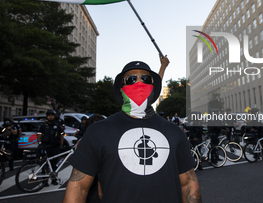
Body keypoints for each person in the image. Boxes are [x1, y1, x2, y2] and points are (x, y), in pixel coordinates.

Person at [63, 61, 201, 203]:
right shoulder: (98, 131)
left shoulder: (174, 132)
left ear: (152, 88)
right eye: (131, 79)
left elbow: (188, 183)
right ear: (121, 89)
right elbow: (78, 187)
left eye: (146, 79)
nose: (139, 83)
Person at [37, 109, 64, 185]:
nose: (51, 117)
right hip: (46, 147)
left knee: (54, 164)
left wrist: (61, 145)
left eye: (52, 116)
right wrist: (39, 144)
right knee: (45, 165)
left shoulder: (57, 126)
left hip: (55, 147)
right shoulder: (43, 126)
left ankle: (54, 179)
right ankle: (45, 181)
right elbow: (39, 135)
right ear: (47, 117)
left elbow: (61, 135)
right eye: (49, 116)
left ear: (54, 116)